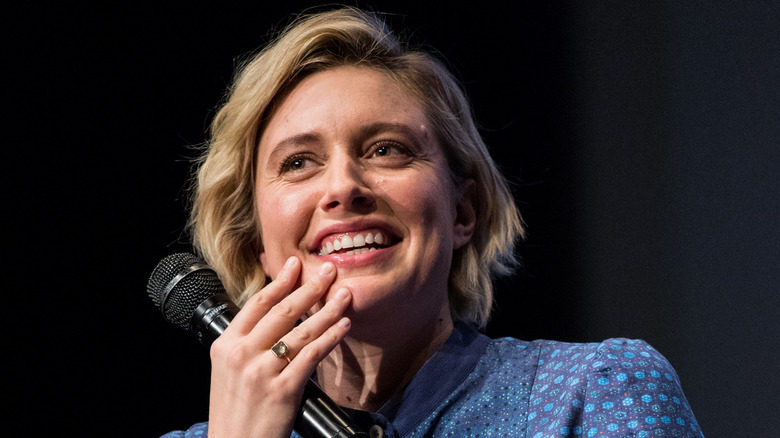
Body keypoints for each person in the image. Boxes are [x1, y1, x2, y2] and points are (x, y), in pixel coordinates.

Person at [161, 6, 704, 438]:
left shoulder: (595, 397)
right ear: (257, 241)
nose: (343, 186)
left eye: (386, 149)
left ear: (462, 211)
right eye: (298, 162)